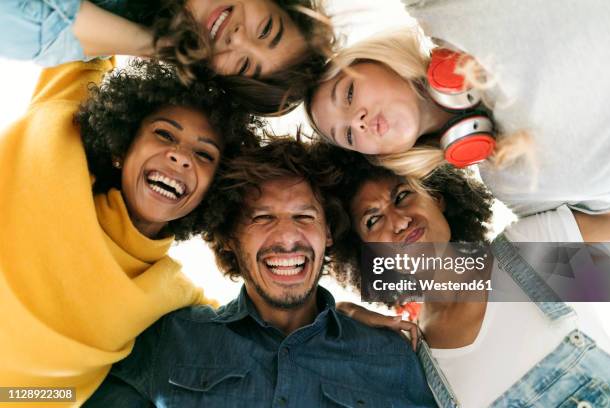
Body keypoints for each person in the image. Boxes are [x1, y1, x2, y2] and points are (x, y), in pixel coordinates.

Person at [84, 139, 437, 408]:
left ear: (327, 233)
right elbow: (43, 390)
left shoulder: (393, 356)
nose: (287, 237)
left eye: (304, 217)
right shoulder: (170, 338)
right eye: (262, 218)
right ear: (228, 239)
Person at [0, 57, 258, 405]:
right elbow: (90, 24)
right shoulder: (60, 135)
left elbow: (266, 348)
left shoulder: (170, 293)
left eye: (203, 154)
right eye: (164, 133)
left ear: (212, 190)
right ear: (124, 146)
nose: (181, 157)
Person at [313, 145, 610, 407]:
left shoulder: (530, 251)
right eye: (373, 219)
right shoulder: (417, 359)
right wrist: (341, 317)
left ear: (437, 197)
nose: (400, 221)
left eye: (403, 196)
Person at [305, 21, 610, 217]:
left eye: (348, 95)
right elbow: (598, 267)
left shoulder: (461, 19)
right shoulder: (508, 184)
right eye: (347, 136)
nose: (357, 122)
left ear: (373, 59)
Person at [0, 0, 337, 114]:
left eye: (244, 65)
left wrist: (160, 46)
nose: (238, 39)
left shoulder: (100, 29)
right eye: (265, 29)